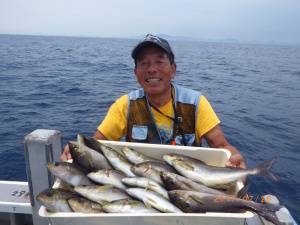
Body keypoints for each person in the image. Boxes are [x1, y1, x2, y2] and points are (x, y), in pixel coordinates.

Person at [61, 34, 246, 169]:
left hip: (188, 182)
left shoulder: (195, 103)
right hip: (142, 181)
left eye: (159, 62)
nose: (151, 69)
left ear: (173, 70)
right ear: (136, 73)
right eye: (143, 63)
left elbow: (221, 146)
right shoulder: (125, 106)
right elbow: (96, 144)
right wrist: (77, 150)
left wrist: (234, 157)